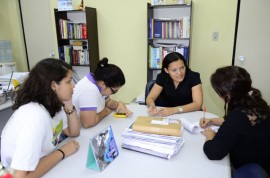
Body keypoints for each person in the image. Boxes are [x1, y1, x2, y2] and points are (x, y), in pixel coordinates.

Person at [1, 58, 81, 178]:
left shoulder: (53, 104)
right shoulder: (34, 118)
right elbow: (19, 176)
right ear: (54, 85)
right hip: (11, 173)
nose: (73, 86)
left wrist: (69, 103)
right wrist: (62, 152)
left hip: (41, 163)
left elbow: (73, 132)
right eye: (69, 81)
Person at [200, 66, 270, 176]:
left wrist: (210, 136)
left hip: (248, 167)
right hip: (263, 160)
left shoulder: (238, 117)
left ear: (226, 95)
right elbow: (239, 123)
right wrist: (212, 121)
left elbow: (213, 152)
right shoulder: (256, 101)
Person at [72, 57, 132, 128]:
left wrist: (118, 104)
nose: (112, 94)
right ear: (103, 84)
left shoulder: (98, 83)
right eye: (113, 91)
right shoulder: (89, 90)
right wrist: (105, 111)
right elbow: (87, 123)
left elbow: (107, 102)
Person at [146, 52, 203, 117]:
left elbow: (198, 104)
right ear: (166, 70)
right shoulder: (162, 77)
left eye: (182, 68)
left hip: (188, 115)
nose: (179, 73)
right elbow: (150, 97)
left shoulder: (193, 77)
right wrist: (152, 105)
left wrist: (174, 110)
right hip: (165, 115)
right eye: (174, 70)